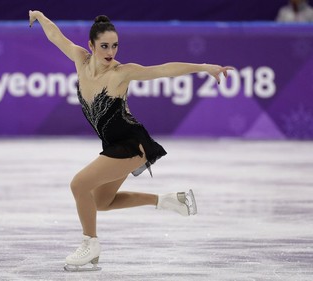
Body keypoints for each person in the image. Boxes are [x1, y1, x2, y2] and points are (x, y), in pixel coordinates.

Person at [29, 10, 232, 271]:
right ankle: (170, 201)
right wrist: (40, 16)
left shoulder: (121, 73)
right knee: (101, 202)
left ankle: (90, 245)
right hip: (114, 146)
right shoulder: (80, 59)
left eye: (114, 45)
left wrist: (203, 67)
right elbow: (57, 37)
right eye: (104, 46)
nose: (110, 51)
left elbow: (163, 70)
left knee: (79, 185)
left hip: (131, 145)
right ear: (91, 46)